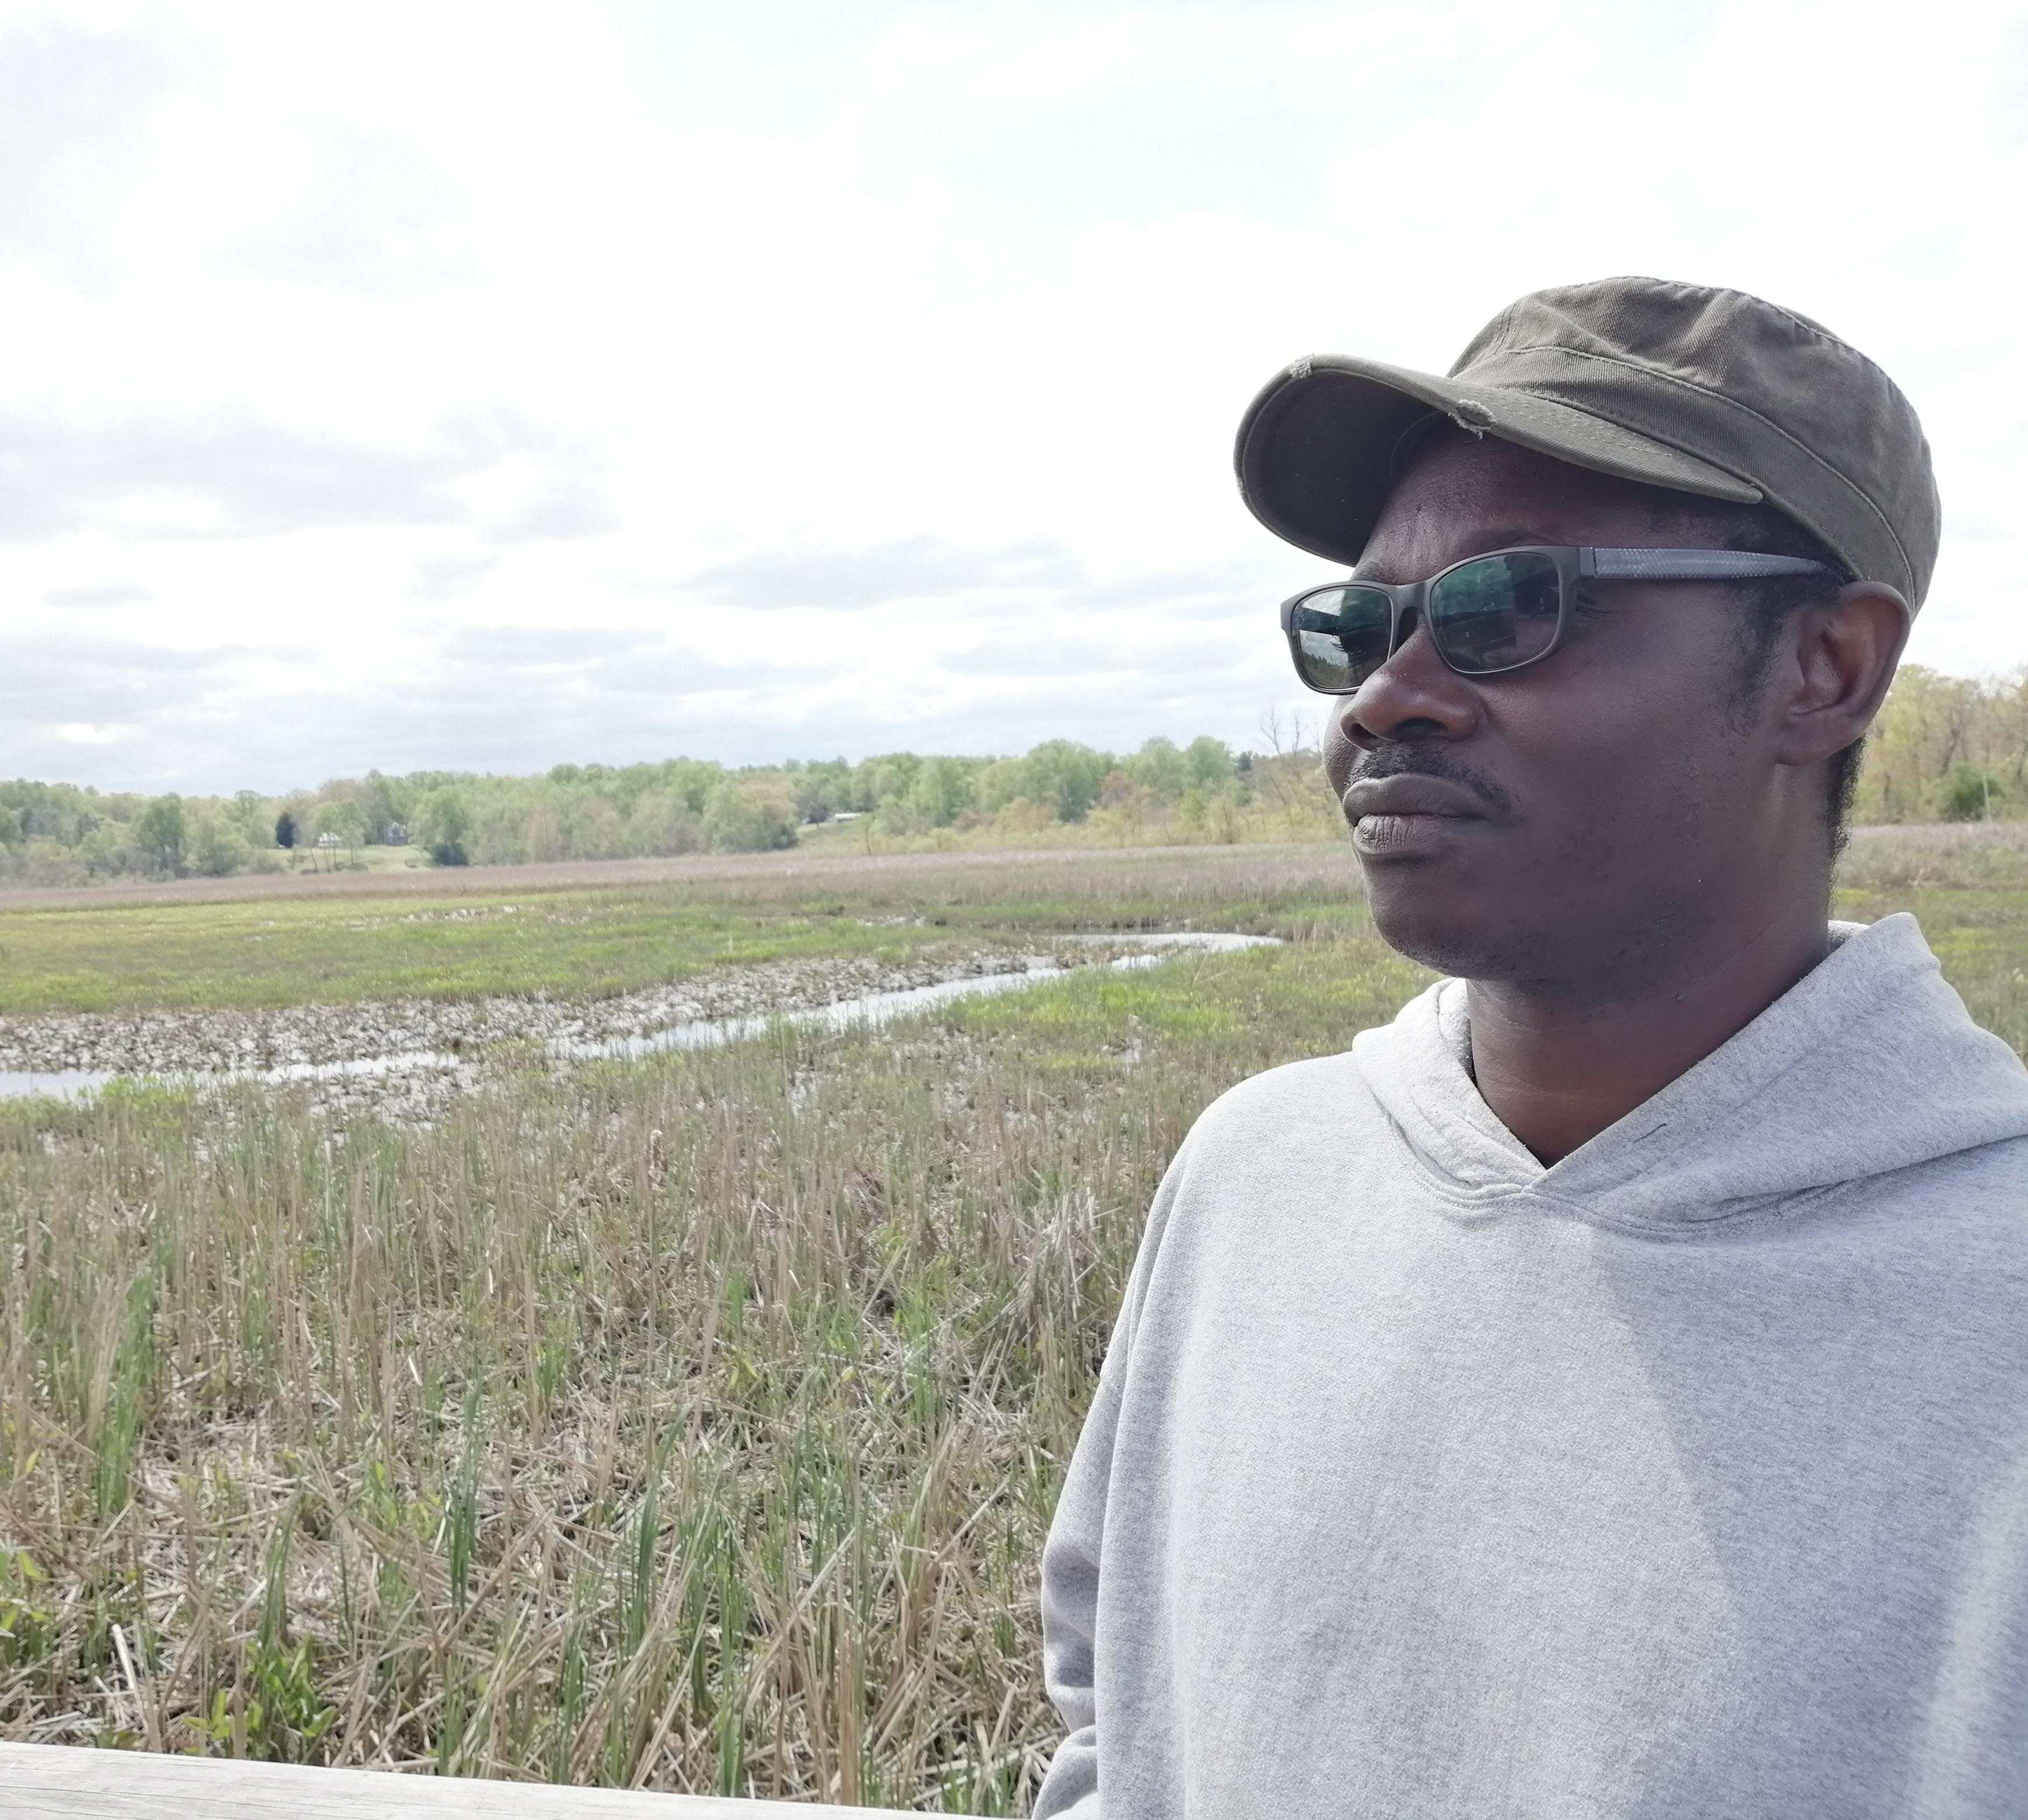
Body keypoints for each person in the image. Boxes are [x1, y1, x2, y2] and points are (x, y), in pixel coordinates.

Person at [1032, 277, 2028, 1818]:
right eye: (1359, 625)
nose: (1384, 699)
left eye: (1509, 609)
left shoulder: (1997, 1281)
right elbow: (1121, 1699)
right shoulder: (1255, 1176)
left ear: (1823, 668)